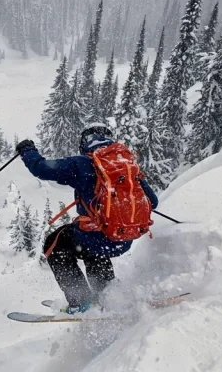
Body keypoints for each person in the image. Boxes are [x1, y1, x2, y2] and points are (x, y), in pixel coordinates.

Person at [16, 124, 159, 314]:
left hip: (99, 238)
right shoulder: (126, 166)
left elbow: (42, 169)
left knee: (55, 244)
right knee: (92, 246)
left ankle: (79, 300)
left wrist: (28, 151)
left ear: (85, 143)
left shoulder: (82, 164)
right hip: (123, 238)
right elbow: (153, 202)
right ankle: (108, 296)